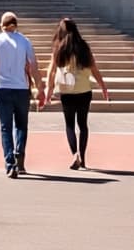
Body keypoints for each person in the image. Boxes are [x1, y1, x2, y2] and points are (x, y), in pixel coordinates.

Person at [0, 10, 43, 177]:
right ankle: (19, 154)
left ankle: (10, 163)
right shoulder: (25, 41)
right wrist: (41, 89)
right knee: (22, 125)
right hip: (22, 88)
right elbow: (34, 67)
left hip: (3, 88)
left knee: (5, 128)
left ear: (2, 26)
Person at [42, 17, 109, 170]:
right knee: (83, 125)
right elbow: (94, 69)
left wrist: (48, 90)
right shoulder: (84, 47)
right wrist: (103, 87)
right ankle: (83, 158)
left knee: (70, 125)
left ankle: (74, 154)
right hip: (84, 90)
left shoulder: (59, 49)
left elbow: (51, 72)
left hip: (67, 91)